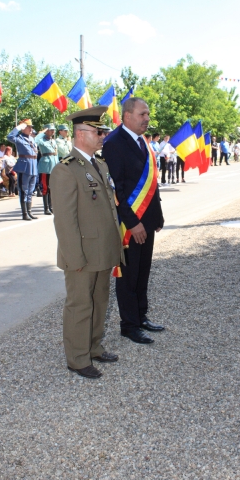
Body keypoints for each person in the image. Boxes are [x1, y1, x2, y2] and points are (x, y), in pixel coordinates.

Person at [50, 106, 124, 379]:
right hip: (81, 251)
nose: (103, 136)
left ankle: (93, 346)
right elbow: (65, 221)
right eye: (98, 131)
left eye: (102, 131)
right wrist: (74, 256)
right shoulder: (65, 170)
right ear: (81, 134)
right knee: (80, 304)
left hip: (103, 248)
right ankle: (77, 358)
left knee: (100, 301)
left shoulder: (99, 164)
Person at [102, 97, 165, 344]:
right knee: (128, 276)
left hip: (147, 222)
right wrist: (133, 223)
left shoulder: (143, 141)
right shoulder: (114, 143)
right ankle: (128, 325)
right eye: (142, 114)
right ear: (127, 116)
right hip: (129, 225)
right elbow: (116, 190)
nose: (147, 119)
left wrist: (156, 216)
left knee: (142, 272)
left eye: (148, 114)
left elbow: (152, 182)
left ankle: (141, 316)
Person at [7, 118, 38, 221]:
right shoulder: (19, 138)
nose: (30, 129)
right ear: (24, 128)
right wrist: (18, 128)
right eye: (28, 127)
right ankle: (24, 213)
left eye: (31, 127)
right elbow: (10, 137)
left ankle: (29, 211)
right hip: (24, 168)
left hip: (33, 167)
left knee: (30, 191)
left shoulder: (31, 139)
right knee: (24, 191)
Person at [35, 124, 58, 215]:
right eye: (50, 130)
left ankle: (51, 206)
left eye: (53, 130)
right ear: (46, 130)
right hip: (45, 166)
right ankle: (46, 208)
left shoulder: (53, 141)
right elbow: (35, 140)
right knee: (45, 187)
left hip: (54, 164)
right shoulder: (41, 140)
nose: (52, 131)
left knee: (52, 187)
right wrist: (42, 132)